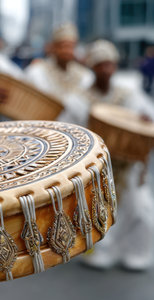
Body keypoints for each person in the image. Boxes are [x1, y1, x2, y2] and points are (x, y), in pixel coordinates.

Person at [59, 40, 154, 271]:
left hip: (125, 165)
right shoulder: (79, 98)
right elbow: (65, 131)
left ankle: (136, 253)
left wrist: (144, 120)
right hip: (94, 168)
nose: (106, 70)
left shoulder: (128, 94)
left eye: (110, 65)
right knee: (96, 212)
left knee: (138, 209)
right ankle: (100, 252)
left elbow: (147, 116)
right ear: (92, 67)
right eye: (101, 65)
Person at [25, 23, 93, 104]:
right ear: (54, 47)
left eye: (70, 46)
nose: (67, 51)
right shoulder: (37, 71)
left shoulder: (85, 76)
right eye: (63, 46)